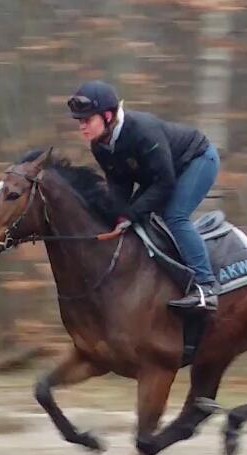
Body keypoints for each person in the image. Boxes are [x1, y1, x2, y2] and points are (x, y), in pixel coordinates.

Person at [67, 80, 221, 312]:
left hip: (197, 160)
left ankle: (206, 287)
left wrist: (131, 214)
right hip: (161, 174)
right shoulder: (99, 145)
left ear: (108, 117)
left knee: (174, 216)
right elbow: (119, 184)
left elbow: (165, 182)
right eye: (80, 121)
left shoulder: (142, 132)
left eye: (87, 120)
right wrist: (119, 216)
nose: (82, 127)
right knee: (136, 220)